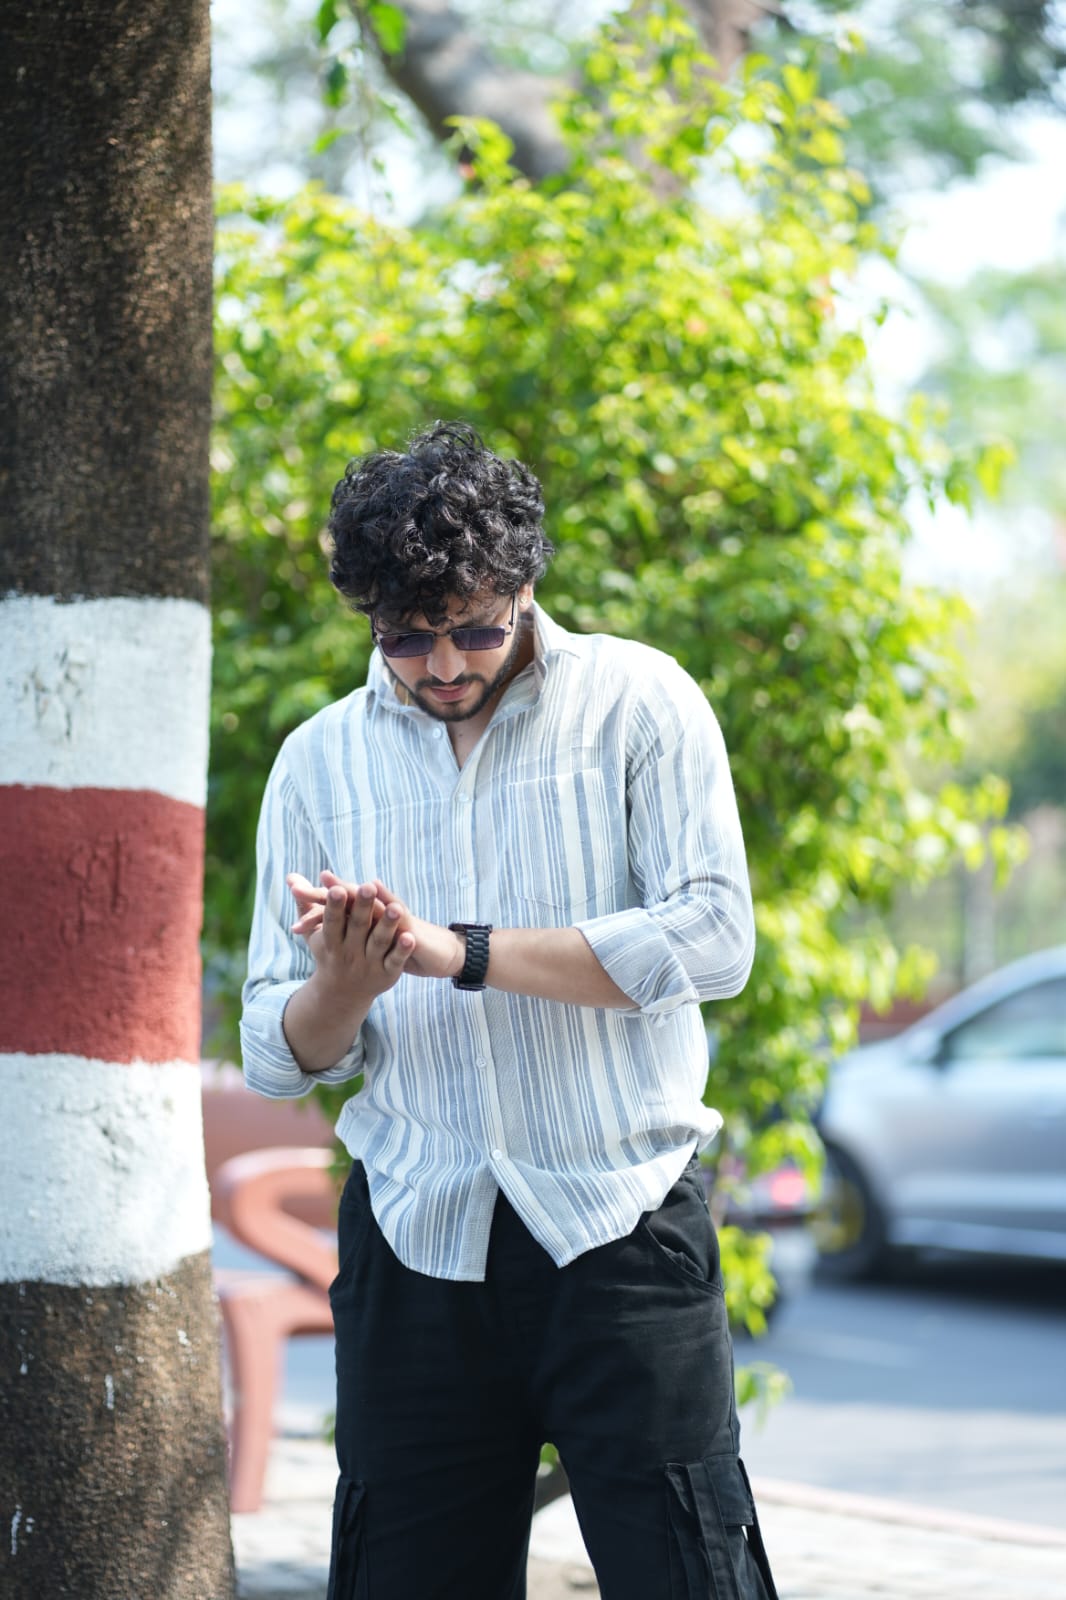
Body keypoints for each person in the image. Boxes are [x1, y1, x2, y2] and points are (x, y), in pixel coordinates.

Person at [240, 421, 778, 1600]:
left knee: (693, 1573)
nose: (443, 664)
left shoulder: (640, 702)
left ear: (528, 585)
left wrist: (456, 951)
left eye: (475, 627)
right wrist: (346, 980)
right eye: (406, 639)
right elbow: (275, 1054)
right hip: (416, 1236)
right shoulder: (318, 762)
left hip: (621, 1222)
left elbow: (712, 938)